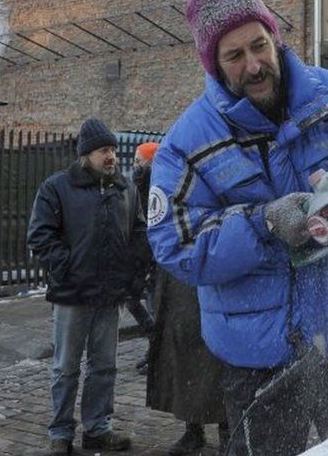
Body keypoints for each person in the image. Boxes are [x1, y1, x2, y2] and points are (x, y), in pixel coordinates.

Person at [146, 0, 328, 456]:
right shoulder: (186, 145)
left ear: (274, 37)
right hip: (260, 361)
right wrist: (263, 224)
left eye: (259, 45)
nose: (254, 65)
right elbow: (175, 245)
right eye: (234, 55)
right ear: (213, 64)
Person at [28, 118, 147, 455]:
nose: (110, 156)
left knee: (104, 366)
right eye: (102, 151)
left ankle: (97, 428)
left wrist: (133, 272)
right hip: (71, 294)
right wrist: (66, 267)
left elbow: (139, 232)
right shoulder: (57, 187)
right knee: (66, 367)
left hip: (109, 295)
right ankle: (61, 432)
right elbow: (40, 235)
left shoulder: (125, 188)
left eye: (111, 149)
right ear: (85, 154)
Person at [136, 142, 231, 455]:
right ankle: (193, 429)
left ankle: (227, 428)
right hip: (176, 278)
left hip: (207, 271)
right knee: (181, 353)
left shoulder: (215, 176)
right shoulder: (167, 176)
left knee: (217, 355)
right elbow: (154, 218)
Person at [126, 143, 159, 375]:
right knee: (132, 300)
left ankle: (157, 353)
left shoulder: (155, 183)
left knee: (152, 305)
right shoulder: (136, 184)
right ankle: (154, 343)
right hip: (138, 254)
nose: (135, 164)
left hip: (153, 257)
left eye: (139, 161)